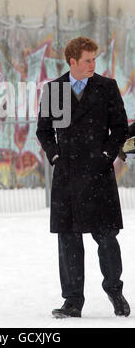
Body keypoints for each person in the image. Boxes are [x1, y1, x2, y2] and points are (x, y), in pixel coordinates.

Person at [36, 36, 130, 318]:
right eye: (88, 60)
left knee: (107, 239)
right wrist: (55, 156)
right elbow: (44, 130)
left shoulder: (107, 87)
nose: (93, 65)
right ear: (73, 62)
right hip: (66, 176)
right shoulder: (54, 90)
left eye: (94, 59)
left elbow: (120, 128)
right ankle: (73, 301)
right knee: (68, 241)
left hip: (99, 175)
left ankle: (115, 292)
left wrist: (106, 156)